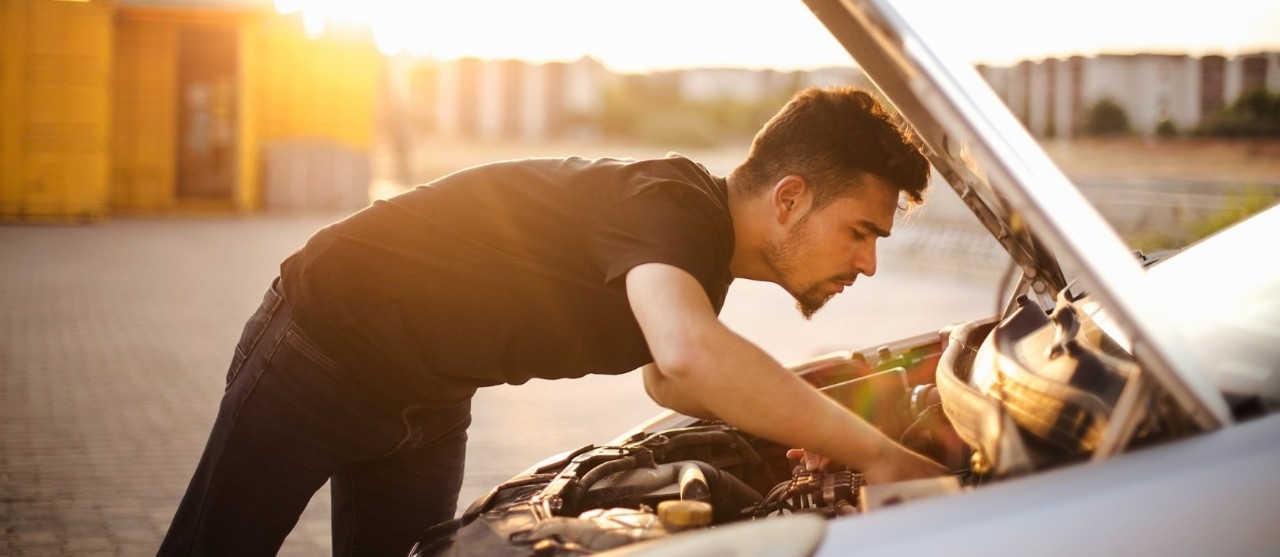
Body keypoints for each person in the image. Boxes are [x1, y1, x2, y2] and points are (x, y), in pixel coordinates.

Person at [158, 85, 947, 557]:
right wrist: (875, 451)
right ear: (789, 198)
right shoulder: (672, 202)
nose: (868, 263)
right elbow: (690, 354)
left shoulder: (698, 260)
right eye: (861, 231)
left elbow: (668, 376)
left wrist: (805, 426)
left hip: (427, 402)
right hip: (319, 349)